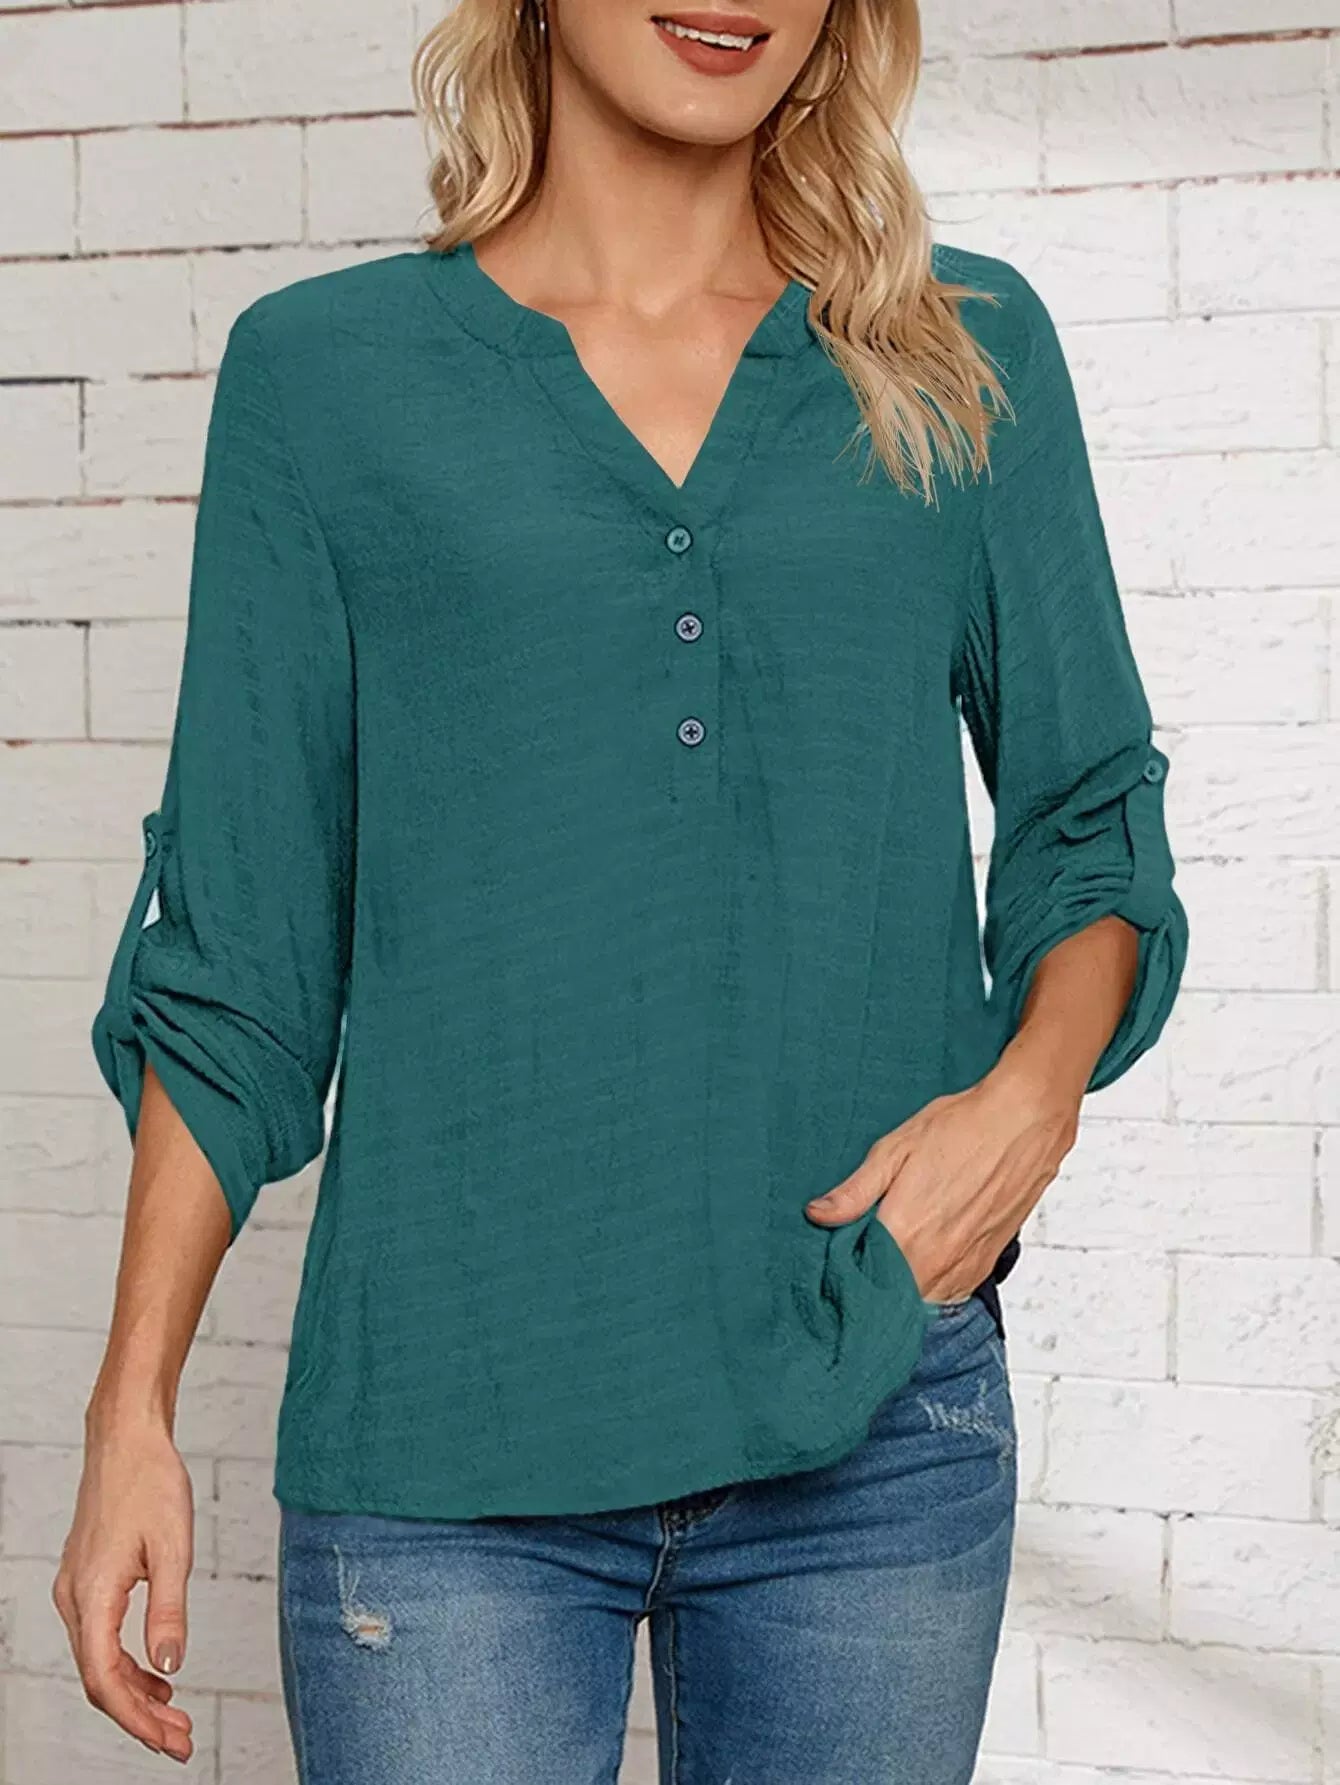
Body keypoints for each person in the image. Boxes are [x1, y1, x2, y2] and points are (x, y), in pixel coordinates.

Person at [53, 1, 1189, 1779]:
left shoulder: (961, 352)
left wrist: (1028, 1103)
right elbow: (238, 961)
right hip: (446, 1459)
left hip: (872, 1429)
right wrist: (131, 1405)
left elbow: (1089, 813)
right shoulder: (324, 380)